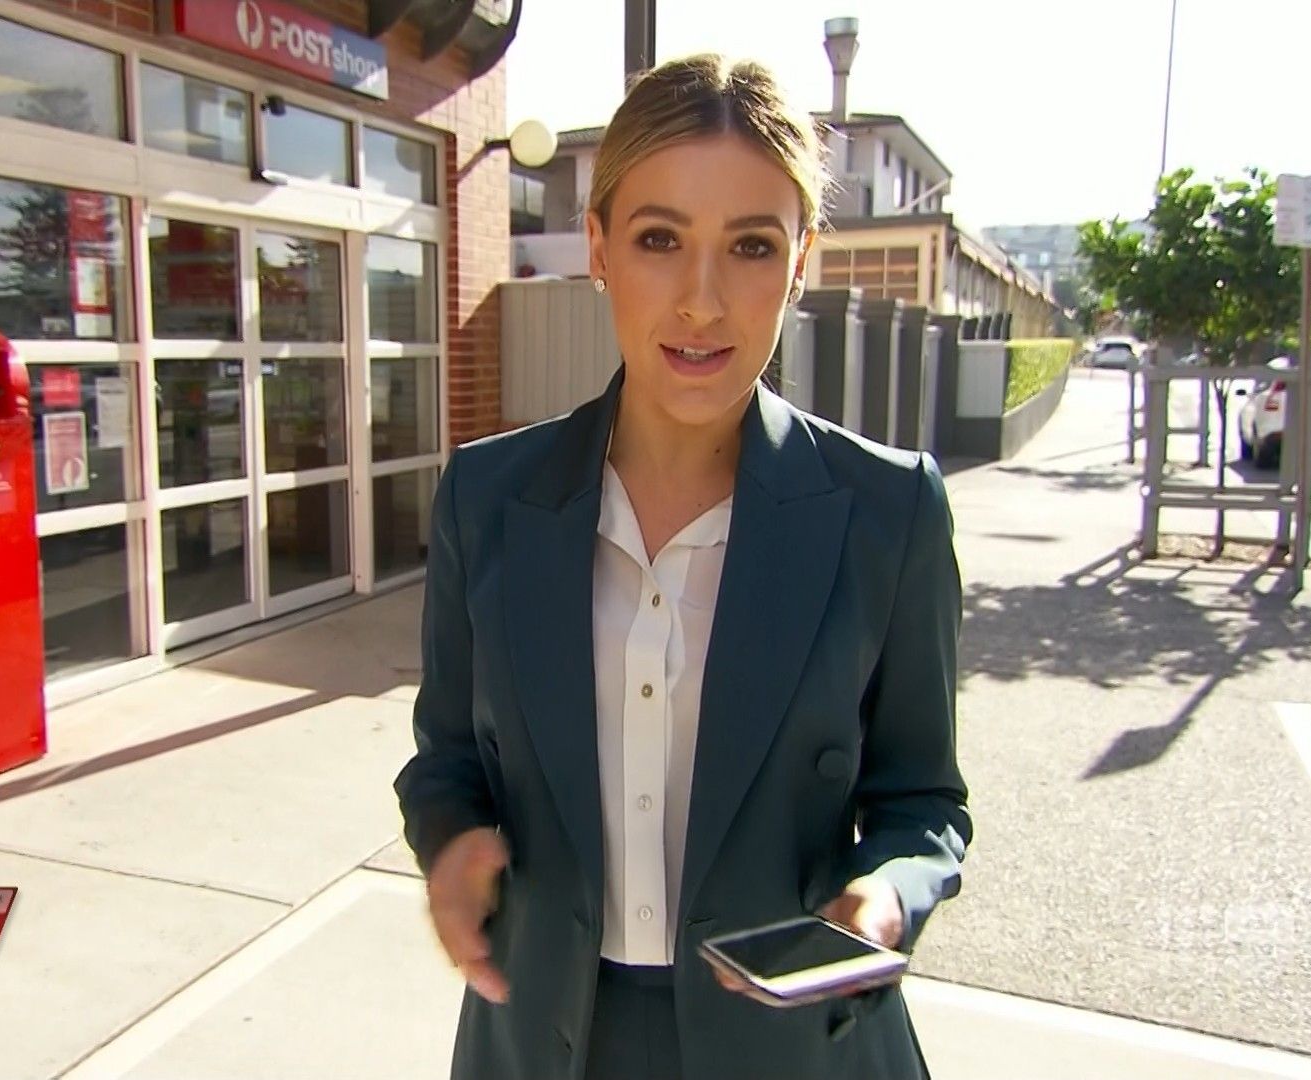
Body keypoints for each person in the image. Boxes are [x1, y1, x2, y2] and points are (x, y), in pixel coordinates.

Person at [394, 53, 971, 1080]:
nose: (702, 301)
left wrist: (886, 892)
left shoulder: (889, 513)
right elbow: (444, 759)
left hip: (796, 1048)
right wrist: (450, 841)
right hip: (545, 1042)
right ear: (600, 246)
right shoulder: (487, 500)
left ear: (800, 262)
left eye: (751, 246)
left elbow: (921, 800)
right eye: (660, 238)